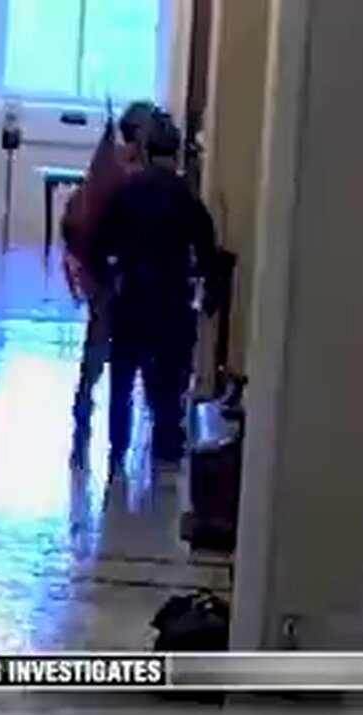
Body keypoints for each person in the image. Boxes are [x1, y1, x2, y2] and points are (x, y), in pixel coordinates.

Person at [89, 109, 218, 477]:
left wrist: (109, 278)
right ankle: (165, 443)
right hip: (171, 296)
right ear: (175, 154)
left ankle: (117, 443)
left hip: (132, 295)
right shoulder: (185, 197)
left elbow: (99, 245)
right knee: (168, 375)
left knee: (123, 376)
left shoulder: (127, 192)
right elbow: (206, 248)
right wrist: (208, 288)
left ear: (146, 151)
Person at [61, 101, 158, 469]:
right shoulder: (125, 172)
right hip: (116, 273)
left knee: (102, 345)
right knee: (127, 348)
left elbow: (77, 217)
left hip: (104, 270)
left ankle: (86, 405)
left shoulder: (108, 165)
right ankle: (122, 418)